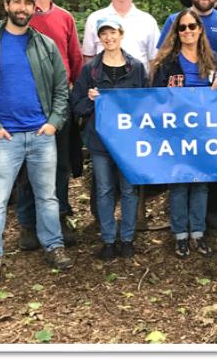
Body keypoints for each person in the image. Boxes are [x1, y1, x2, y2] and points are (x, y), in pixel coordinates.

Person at [0, 0, 73, 287]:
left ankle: (53, 246)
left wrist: (54, 121)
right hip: (3, 137)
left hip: (41, 134)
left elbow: (61, 88)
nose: (21, 8)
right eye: (16, 2)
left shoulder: (45, 45)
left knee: (47, 196)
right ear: (6, 5)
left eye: (27, 3)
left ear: (33, 8)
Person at [16, 0, 83, 251]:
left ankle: (60, 216)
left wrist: (76, 96)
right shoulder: (19, 16)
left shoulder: (64, 17)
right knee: (27, 164)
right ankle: (28, 225)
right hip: (25, 100)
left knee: (60, 163)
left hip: (60, 97)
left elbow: (75, 57)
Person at [151, 9, 217, 258]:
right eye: (182, 28)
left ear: (200, 29)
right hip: (176, 133)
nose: (187, 32)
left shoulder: (213, 59)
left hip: (205, 132)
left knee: (200, 184)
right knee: (179, 184)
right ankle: (180, 235)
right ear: (176, 32)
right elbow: (155, 98)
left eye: (192, 27)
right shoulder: (166, 63)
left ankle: (198, 232)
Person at [71, 18, 147, 260]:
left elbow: (147, 104)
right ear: (99, 38)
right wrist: (91, 100)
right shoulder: (91, 70)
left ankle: (127, 239)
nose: (108, 38)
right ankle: (108, 240)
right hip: (100, 141)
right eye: (104, 34)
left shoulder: (135, 67)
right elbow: (76, 104)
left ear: (121, 34)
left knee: (128, 189)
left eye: (112, 32)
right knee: (104, 190)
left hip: (128, 142)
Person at [82, 0, 160, 73]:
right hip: (103, 86)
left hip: (139, 86)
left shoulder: (148, 21)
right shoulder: (95, 19)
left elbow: (154, 59)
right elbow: (88, 57)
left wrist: (150, 86)